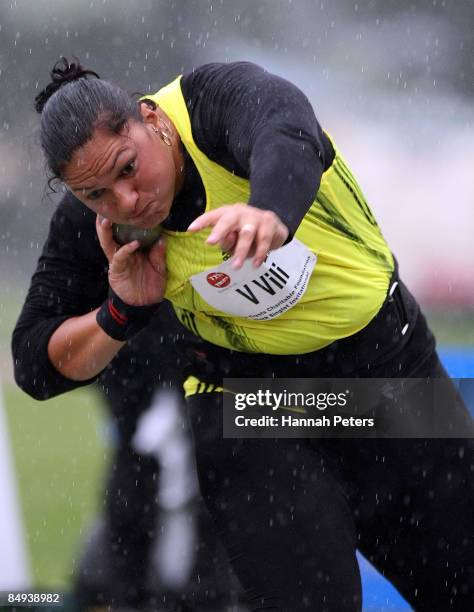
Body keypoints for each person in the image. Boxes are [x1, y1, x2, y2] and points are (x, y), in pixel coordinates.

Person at [12, 57, 472, 611]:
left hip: (383, 376)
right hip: (252, 405)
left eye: (129, 168)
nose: (126, 201)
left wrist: (269, 212)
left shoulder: (212, 102)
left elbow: (289, 131)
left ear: (152, 119)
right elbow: (36, 364)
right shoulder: (97, 219)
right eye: (96, 194)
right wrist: (121, 313)